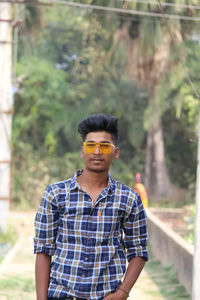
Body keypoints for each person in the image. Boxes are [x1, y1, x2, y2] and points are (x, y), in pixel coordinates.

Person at [34, 113, 148, 300]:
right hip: (62, 295)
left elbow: (139, 251)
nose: (97, 151)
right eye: (90, 145)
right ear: (82, 151)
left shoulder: (129, 199)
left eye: (104, 146)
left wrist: (122, 293)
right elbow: (43, 249)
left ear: (115, 152)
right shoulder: (56, 193)